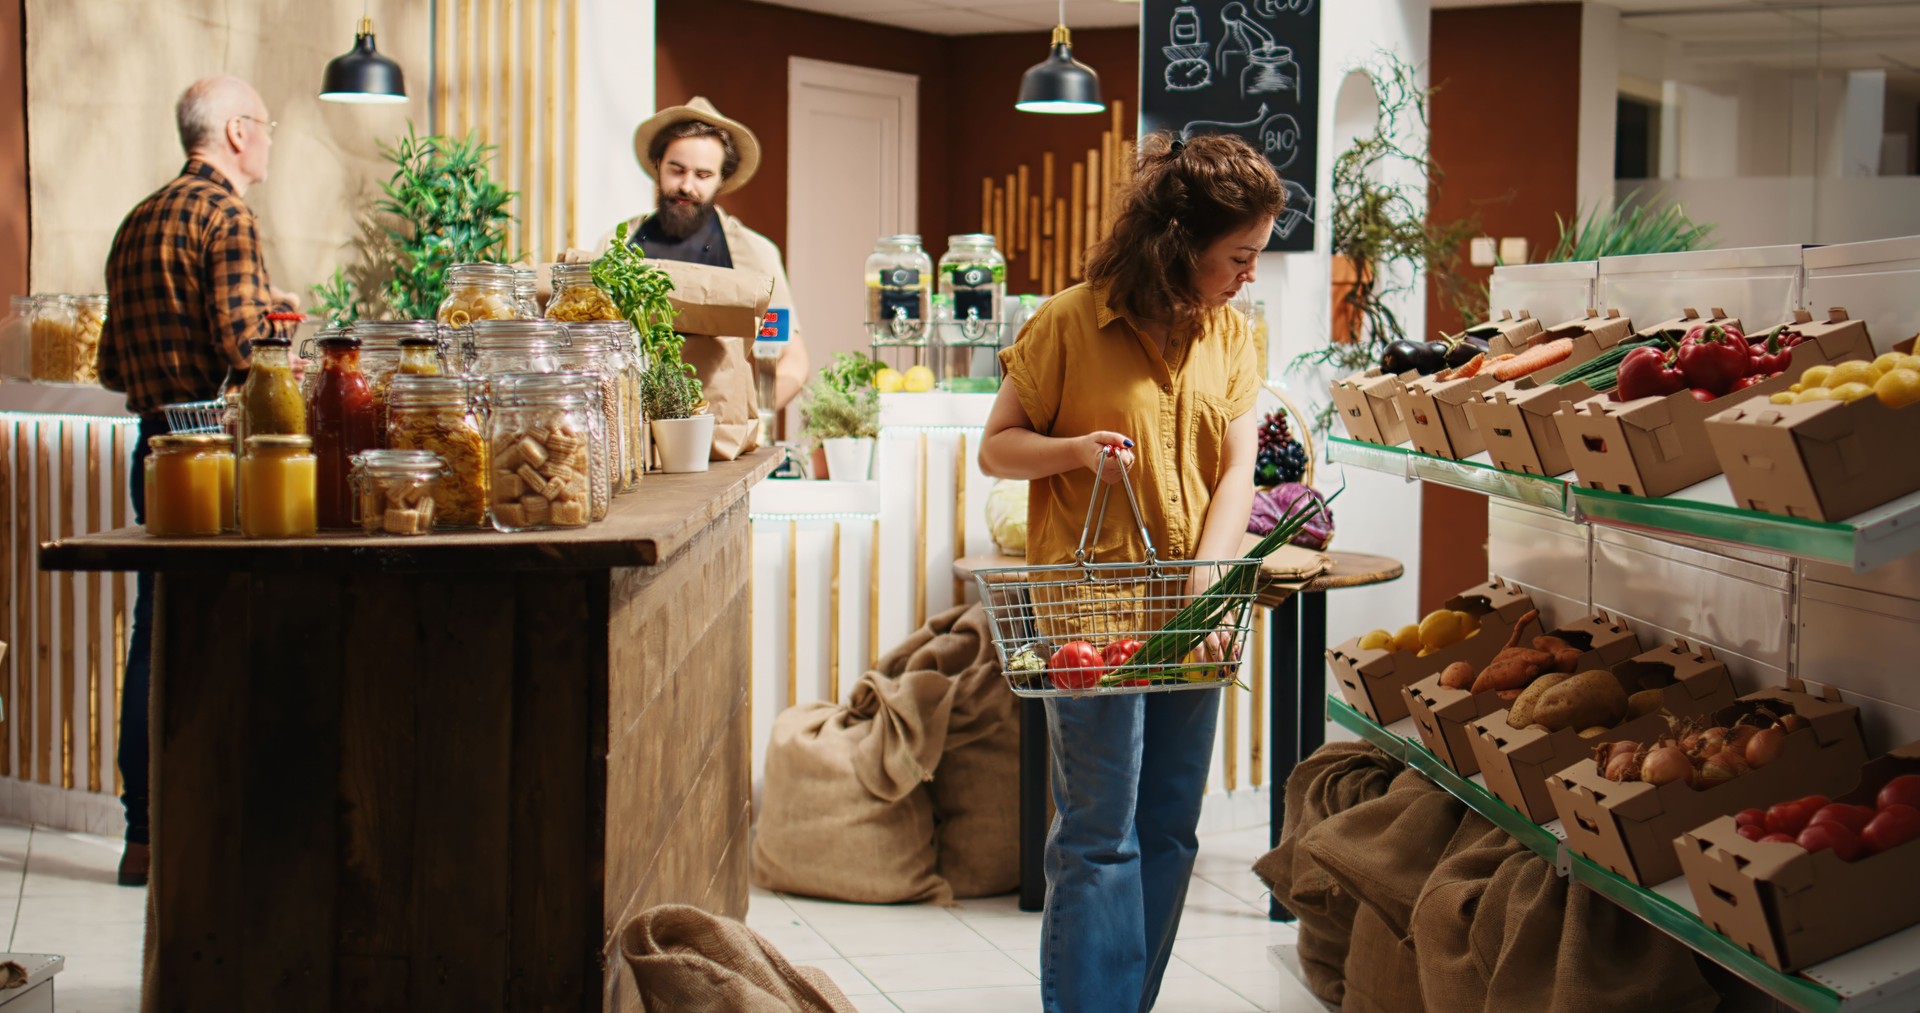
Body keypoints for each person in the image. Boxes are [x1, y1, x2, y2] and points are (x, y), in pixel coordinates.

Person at [977, 132, 1280, 1013]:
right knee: (1100, 833)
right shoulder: (1071, 320)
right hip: (1091, 610)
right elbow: (997, 449)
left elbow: (1236, 471)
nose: (1248, 274)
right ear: (1180, 241)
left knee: (1171, 827)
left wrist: (1208, 586)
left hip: (1192, 610)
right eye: (1239, 255)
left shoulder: (1232, 332)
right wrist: (1072, 449)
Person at [97, 75, 297, 887]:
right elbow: (246, 348)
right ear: (239, 132)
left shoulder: (136, 220)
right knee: (232, 633)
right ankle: (225, 827)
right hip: (215, 450)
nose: (273, 140)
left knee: (157, 629)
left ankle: (143, 835)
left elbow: (112, 364)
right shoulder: (228, 216)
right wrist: (283, 322)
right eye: (270, 126)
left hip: (154, 447)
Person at [615, 97, 810, 412]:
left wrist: (754, 415)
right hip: (629, 430)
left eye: (703, 175)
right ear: (658, 166)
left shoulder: (755, 254)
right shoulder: (617, 246)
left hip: (717, 431)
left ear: (722, 179)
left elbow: (793, 359)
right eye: (676, 170)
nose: (687, 185)